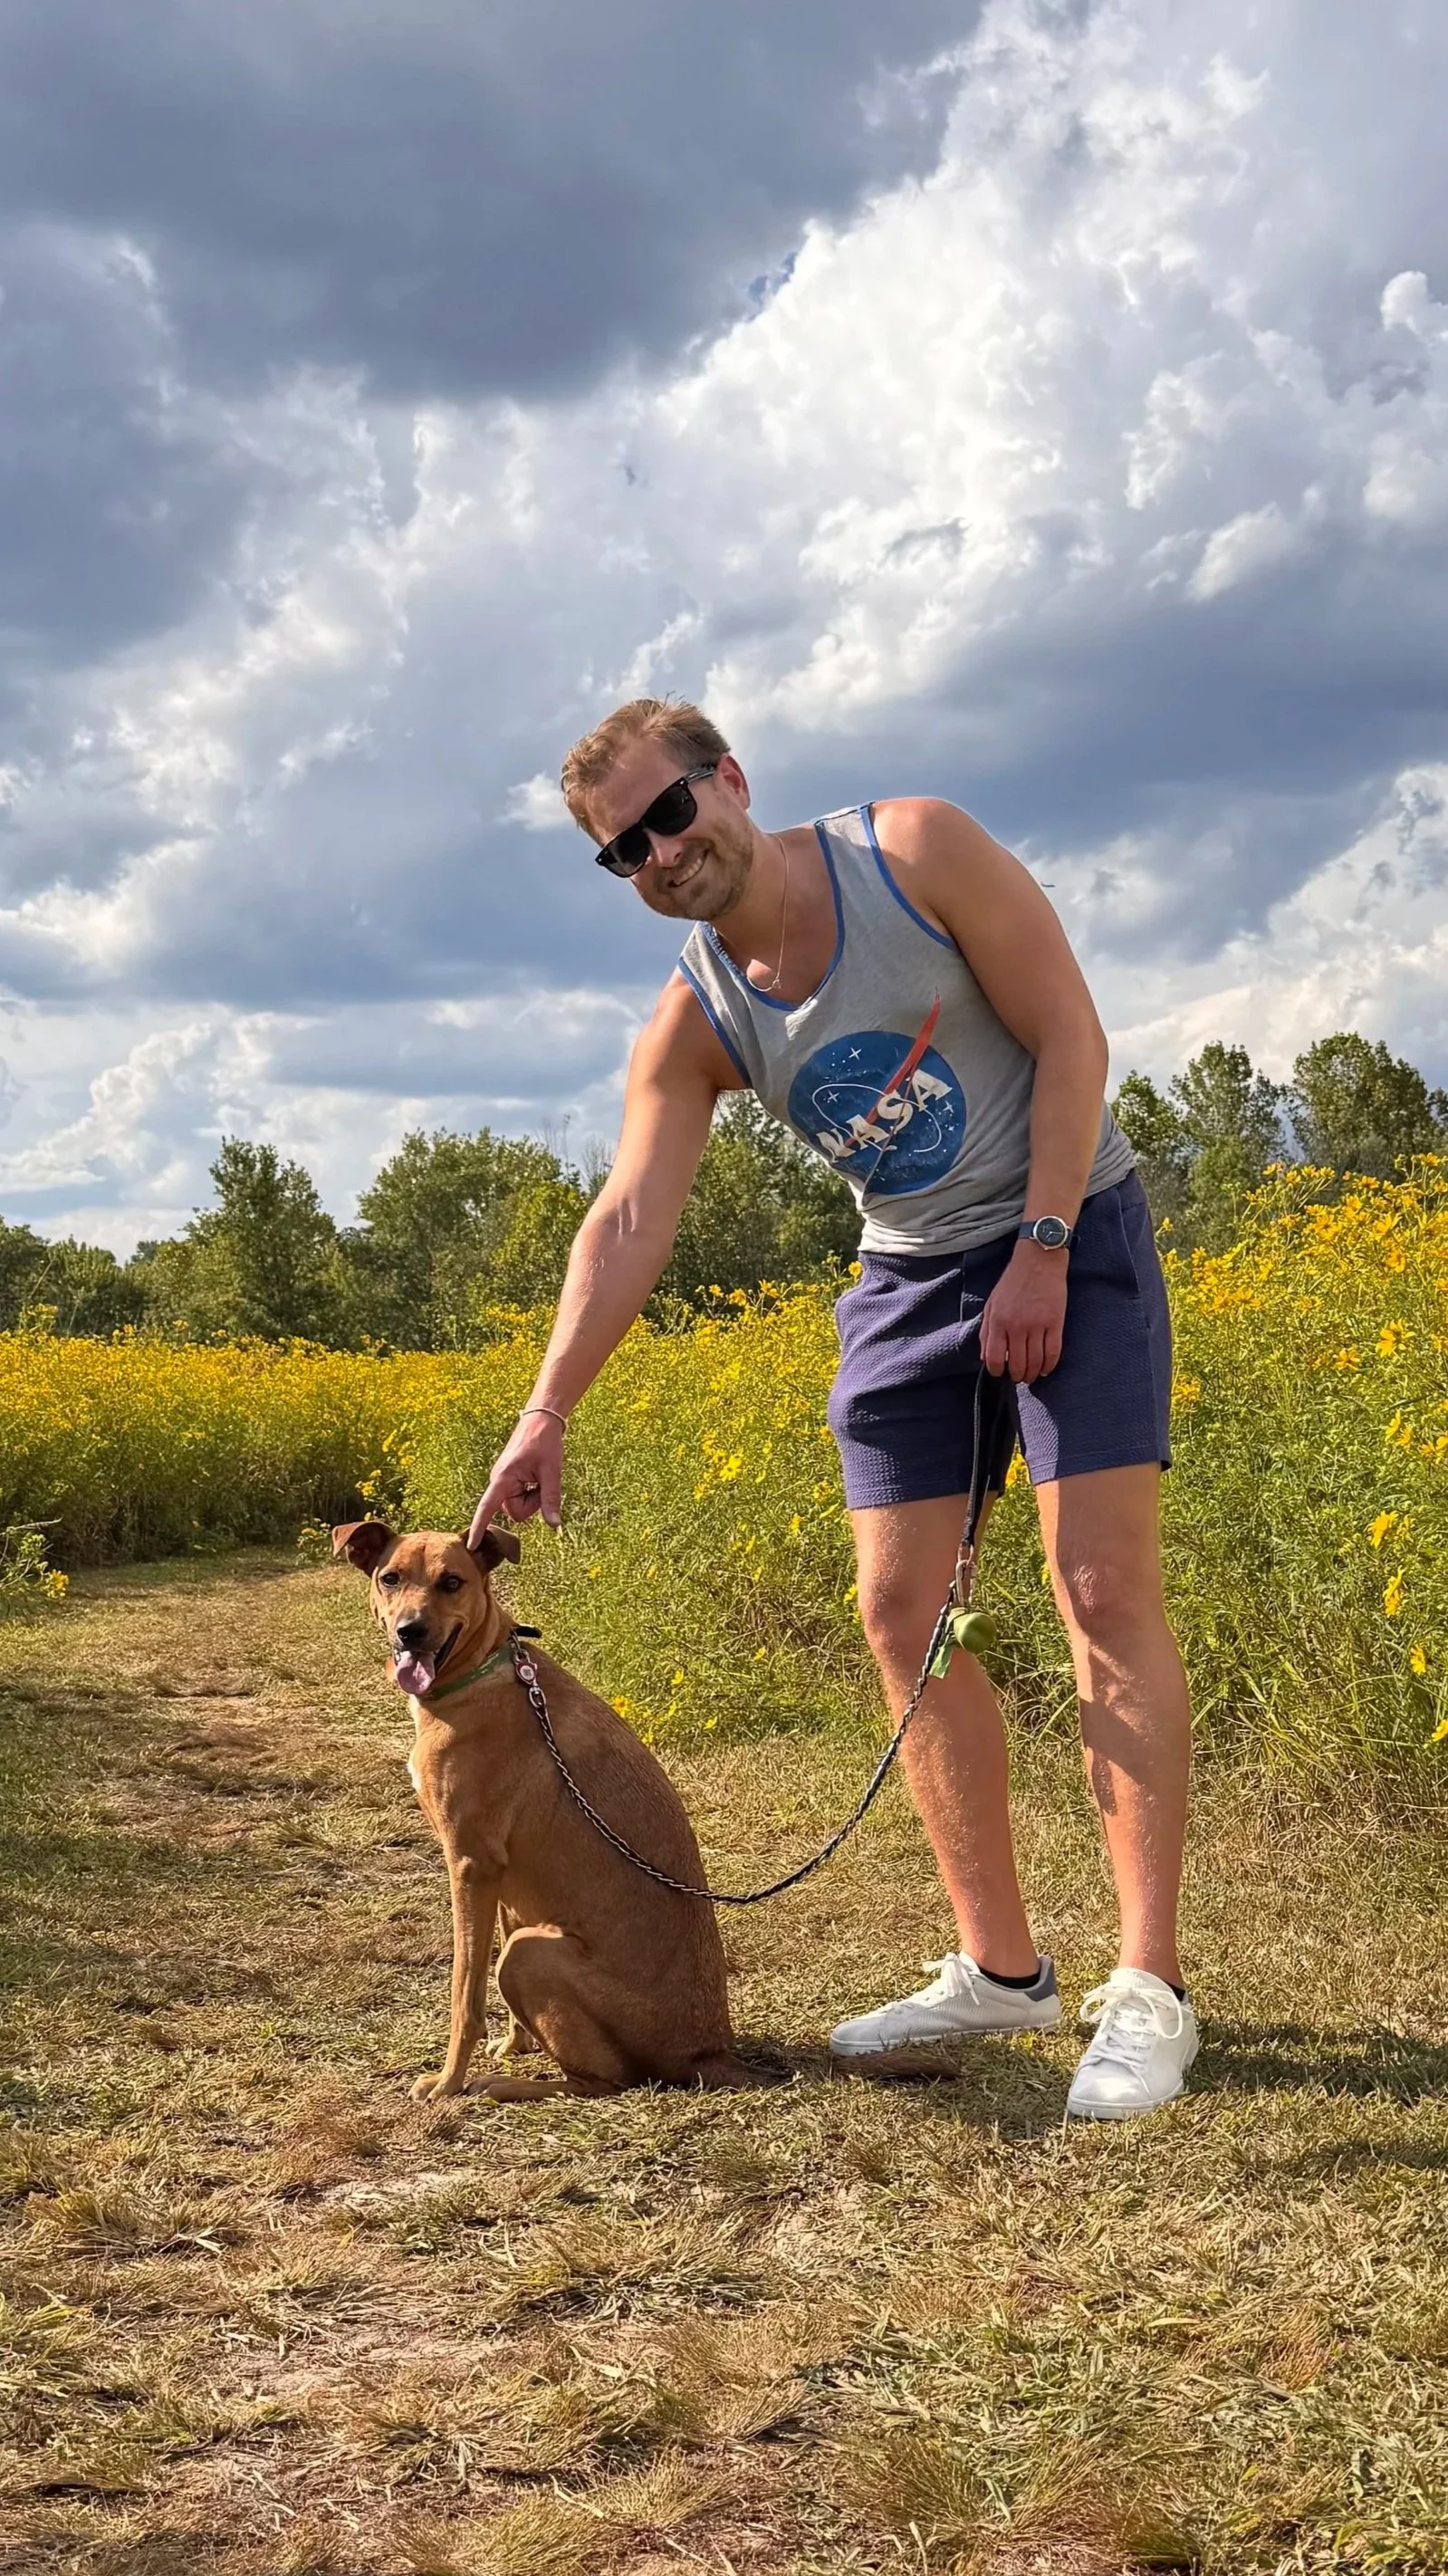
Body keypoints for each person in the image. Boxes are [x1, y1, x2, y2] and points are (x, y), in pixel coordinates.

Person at [469, 697, 1196, 2119]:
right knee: (896, 1610)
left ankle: (1147, 1989)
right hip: (908, 1276)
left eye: (668, 812)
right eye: (620, 851)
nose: (657, 854)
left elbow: (1069, 1035)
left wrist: (1042, 1245)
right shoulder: (698, 1014)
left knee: (1099, 1588)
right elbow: (628, 1217)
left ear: (729, 778)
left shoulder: (910, 851)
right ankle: (1000, 1971)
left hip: (1072, 1224)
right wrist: (544, 1411)